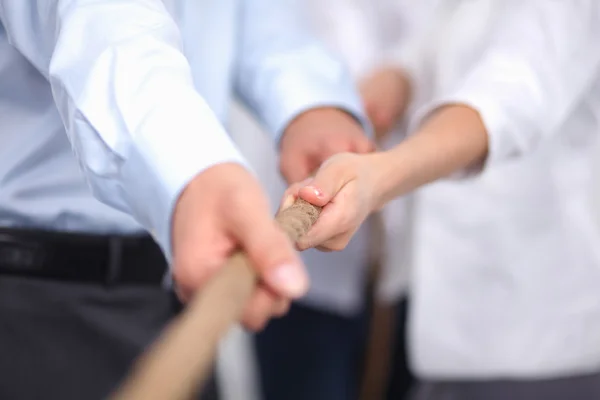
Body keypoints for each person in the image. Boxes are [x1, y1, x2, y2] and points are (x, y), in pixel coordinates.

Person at [0, 1, 373, 399]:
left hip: (172, 287)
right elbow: (105, 24)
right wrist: (189, 169)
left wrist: (310, 104)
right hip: (38, 300)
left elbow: (253, 15)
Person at [282, 1, 600, 399]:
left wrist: (380, 175)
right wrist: (400, 76)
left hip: (537, 331)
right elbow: (451, 34)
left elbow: (516, 88)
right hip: (451, 328)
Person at [227, 1, 436, 399]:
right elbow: (258, 27)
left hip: (412, 238)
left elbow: (455, 26)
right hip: (297, 253)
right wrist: (318, 108)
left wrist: (404, 73)